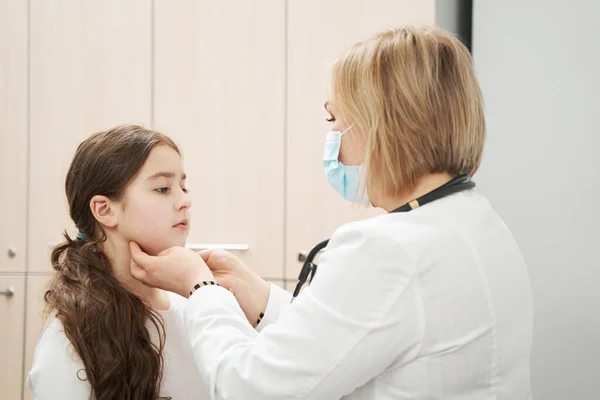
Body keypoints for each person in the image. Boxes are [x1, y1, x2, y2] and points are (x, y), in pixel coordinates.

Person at [130, 25, 533, 399]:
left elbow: (250, 386)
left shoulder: (389, 251)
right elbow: (361, 334)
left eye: (335, 118)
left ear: (382, 126)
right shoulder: (474, 220)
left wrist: (202, 291)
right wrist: (260, 298)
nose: (333, 141)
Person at [27, 125, 209, 400]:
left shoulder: (197, 308)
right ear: (105, 210)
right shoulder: (69, 341)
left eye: (183, 187)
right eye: (162, 188)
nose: (185, 200)